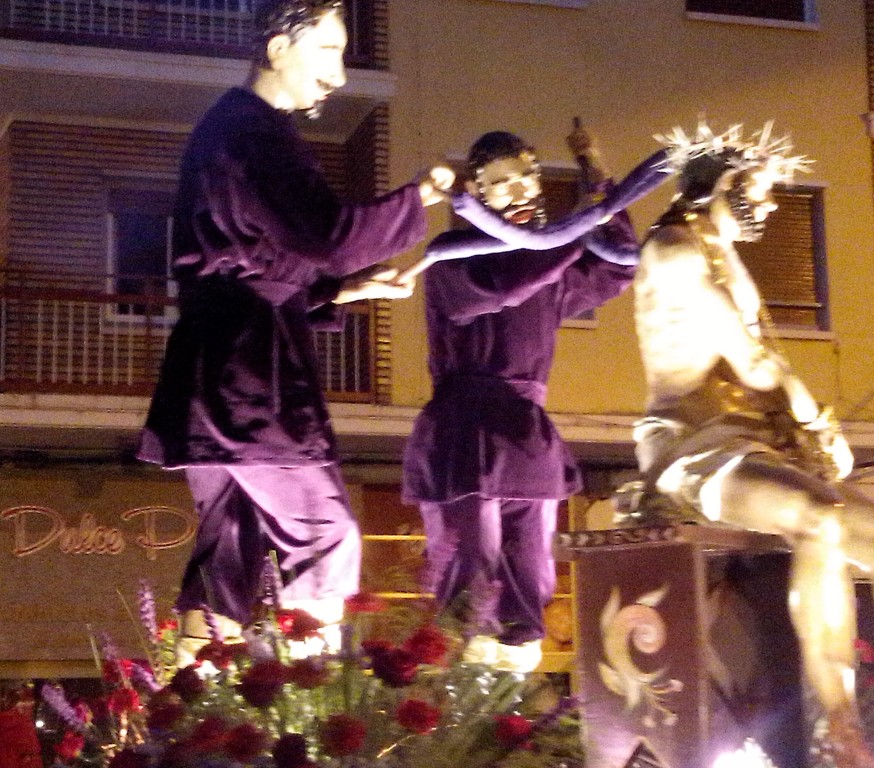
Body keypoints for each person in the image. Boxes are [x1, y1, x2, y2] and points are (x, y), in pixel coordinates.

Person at [627, 122, 874, 768]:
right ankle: (842, 735)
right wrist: (816, 421)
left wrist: (801, 436)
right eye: (761, 191)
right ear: (725, 182)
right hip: (692, 451)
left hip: (750, 445)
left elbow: (761, 367)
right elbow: (753, 361)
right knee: (820, 521)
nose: (769, 208)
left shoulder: (724, 252)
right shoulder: (673, 250)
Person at [137, 0, 453, 655]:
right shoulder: (254, 133)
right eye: (329, 52)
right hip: (250, 380)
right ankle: (313, 714)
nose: (338, 77)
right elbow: (328, 238)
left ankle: (191, 718)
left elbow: (261, 262)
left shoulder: (231, 128)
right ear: (278, 46)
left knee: (230, 548)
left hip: (214, 371)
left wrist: (353, 286)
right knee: (324, 533)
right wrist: (419, 196)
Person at [401, 123, 650, 672]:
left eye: (528, 179)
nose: (521, 191)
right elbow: (508, 282)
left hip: (525, 433)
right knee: (469, 562)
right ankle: (462, 679)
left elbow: (618, 264)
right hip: (465, 429)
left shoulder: (553, 263)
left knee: (530, 565)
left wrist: (593, 169)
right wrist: (574, 230)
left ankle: (516, 682)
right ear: (478, 196)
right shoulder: (452, 258)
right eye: (502, 183)